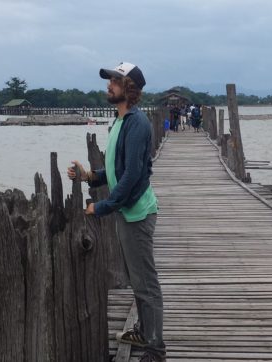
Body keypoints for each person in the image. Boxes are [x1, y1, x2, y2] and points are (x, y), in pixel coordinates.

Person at [67, 62, 166, 362]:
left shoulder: (137, 124)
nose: (108, 85)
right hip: (128, 213)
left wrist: (102, 207)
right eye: (109, 80)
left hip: (136, 214)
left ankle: (155, 349)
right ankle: (143, 330)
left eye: (114, 81)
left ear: (129, 89)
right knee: (137, 279)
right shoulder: (121, 121)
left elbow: (132, 176)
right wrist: (90, 176)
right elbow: (116, 169)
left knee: (145, 283)